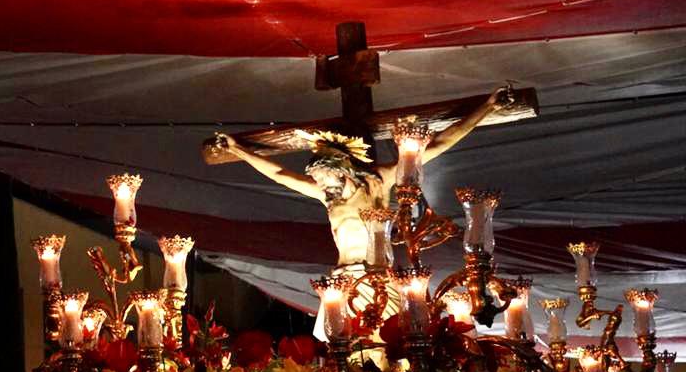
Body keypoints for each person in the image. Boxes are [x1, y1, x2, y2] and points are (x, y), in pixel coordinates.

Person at [211, 86, 511, 335]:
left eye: (321, 176)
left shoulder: (378, 183)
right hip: (344, 282)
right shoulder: (328, 197)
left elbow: (437, 145)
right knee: (351, 350)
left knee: (391, 342)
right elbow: (281, 174)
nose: (318, 183)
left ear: (340, 170)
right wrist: (238, 150)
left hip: (378, 276)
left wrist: (486, 107)